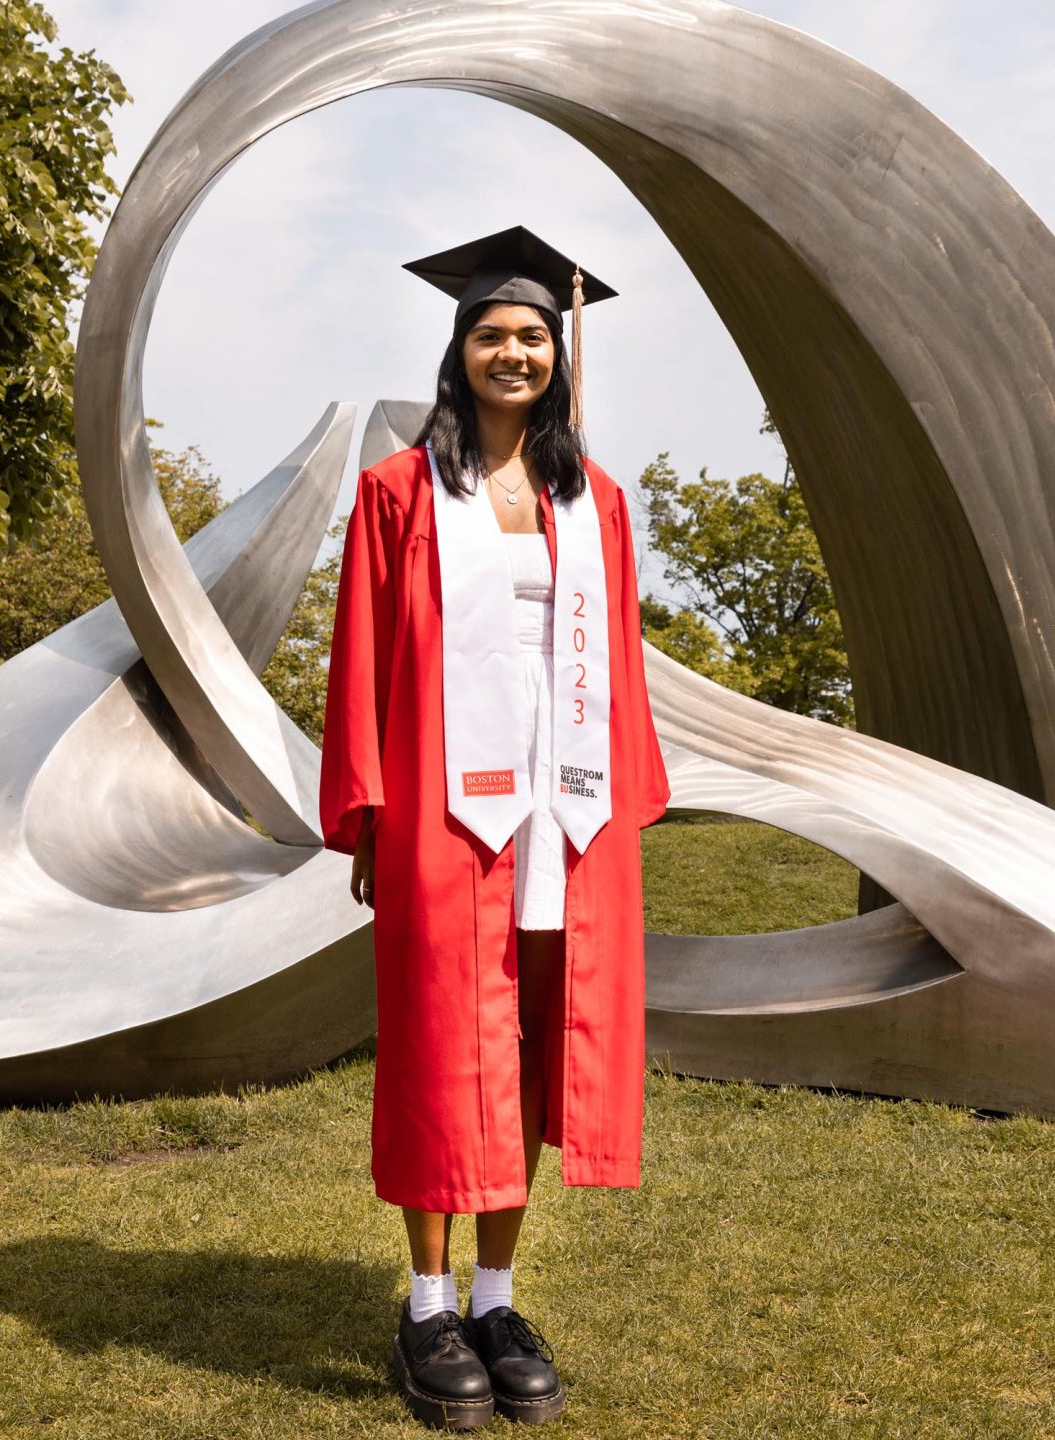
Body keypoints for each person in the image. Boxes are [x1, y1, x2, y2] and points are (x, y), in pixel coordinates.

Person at [317, 225, 672, 1430]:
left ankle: (499, 1296)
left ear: (558, 358)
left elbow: (620, 665)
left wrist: (622, 805)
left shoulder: (596, 502)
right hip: (440, 807)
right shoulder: (396, 493)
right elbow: (361, 656)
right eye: (490, 333)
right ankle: (427, 1305)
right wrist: (365, 811)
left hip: (564, 808)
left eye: (532, 336)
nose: (511, 352)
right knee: (435, 1043)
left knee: (526, 1044)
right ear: (456, 350)